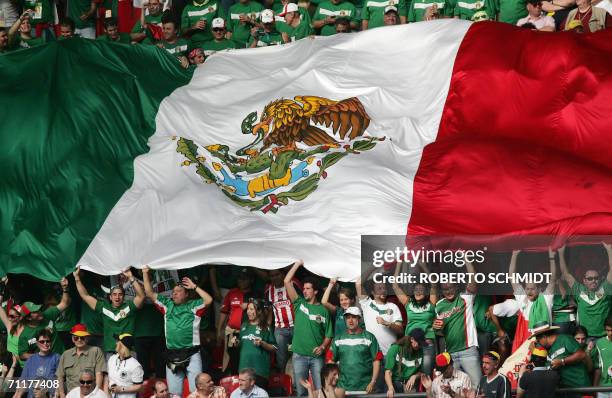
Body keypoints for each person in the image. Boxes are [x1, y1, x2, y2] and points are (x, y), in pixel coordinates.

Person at [143, 265, 213, 396]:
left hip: (192, 354)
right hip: (172, 355)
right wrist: (145, 273)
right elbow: (149, 293)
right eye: (173, 291)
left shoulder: (194, 306)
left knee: (197, 392)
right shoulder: (167, 305)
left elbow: (209, 300)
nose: (174, 293)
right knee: (174, 395)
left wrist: (194, 287)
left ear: (186, 294)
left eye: (178, 291)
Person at [490, 249, 556, 352]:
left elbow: (553, 279)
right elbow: (511, 275)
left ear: (539, 289)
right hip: (525, 344)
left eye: (533, 289)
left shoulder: (546, 298)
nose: (529, 292)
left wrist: (552, 257)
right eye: (527, 289)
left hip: (544, 344)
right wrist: (514, 254)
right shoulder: (522, 297)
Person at [285, 260, 333, 397]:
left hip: (317, 357)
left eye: (308, 289)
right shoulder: (299, 304)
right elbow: (287, 281)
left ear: (315, 291)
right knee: (301, 393)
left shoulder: (324, 311)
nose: (304, 291)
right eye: (304, 289)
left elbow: (329, 335)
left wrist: (323, 347)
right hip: (298, 356)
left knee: (320, 393)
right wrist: (297, 264)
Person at [74, 267, 145, 357]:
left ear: (123, 297)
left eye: (120, 294)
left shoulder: (129, 306)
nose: (117, 297)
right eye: (114, 294)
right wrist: (77, 278)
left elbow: (141, 296)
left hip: (129, 351)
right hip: (111, 352)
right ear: (110, 297)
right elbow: (85, 296)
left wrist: (131, 277)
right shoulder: (104, 307)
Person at [432, 261, 481, 387]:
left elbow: (473, 280)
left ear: (456, 287)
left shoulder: (465, 298)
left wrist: (467, 260)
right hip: (450, 355)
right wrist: (435, 328)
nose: (448, 291)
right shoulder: (439, 305)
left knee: (476, 386)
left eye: (450, 287)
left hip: (468, 350)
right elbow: (439, 331)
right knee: (452, 388)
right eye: (445, 289)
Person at [392, 261, 436, 376]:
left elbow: (434, 284)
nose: (418, 292)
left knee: (426, 374)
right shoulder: (408, 303)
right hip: (410, 343)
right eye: (416, 289)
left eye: (421, 289)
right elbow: (395, 286)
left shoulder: (431, 303)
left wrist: (423, 266)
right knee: (410, 373)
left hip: (426, 342)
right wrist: (398, 264)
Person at [560, 243, 612, 339]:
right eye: (590, 278)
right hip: (584, 337)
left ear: (600, 279)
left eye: (596, 278)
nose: (593, 281)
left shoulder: (605, 288)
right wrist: (561, 253)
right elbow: (566, 274)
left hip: (604, 337)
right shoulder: (578, 289)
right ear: (584, 280)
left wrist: (609, 249)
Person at [330, 306, 382, 394]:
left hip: (365, 388)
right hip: (343, 388)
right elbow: (330, 362)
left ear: (359, 319)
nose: (350, 320)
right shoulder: (338, 338)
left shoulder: (370, 337)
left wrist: (373, 382)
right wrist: (331, 383)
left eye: (354, 317)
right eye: (348, 317)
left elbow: (377, 361)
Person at [18, 278, 70, 360]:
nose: (39, 311)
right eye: (35, 311)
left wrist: (65, 288)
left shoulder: (48, 314)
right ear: (28, 318)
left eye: (38, 309)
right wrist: (40, 355)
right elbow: (22, 355)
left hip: (61, 358)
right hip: (44, 366)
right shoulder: (25, 335)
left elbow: (65, 303)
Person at [217, 267, 257, 374]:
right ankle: (225, 377)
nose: (241, 281)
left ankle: (246, 377)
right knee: (228, 354)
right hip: (232, 330)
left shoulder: (255, 294)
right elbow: (224, 311)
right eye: (239, 278)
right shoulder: (232, 292)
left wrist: (249, 304)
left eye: (245, 278)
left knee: (245, 354)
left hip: (249, 331)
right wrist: (219, 329)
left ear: (251, 280)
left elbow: (263, 310)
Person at [532, 322, 590, 394]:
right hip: (565, 391)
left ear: (544, 337)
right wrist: (533, 351)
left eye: (538, 340)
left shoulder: (564, 339)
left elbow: (581, 354)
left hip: (580, 387)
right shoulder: (546, 350)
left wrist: (562, 361)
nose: (538, 342)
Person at [356, 270, 403, 358]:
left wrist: (387, 323)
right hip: (372, 354)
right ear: (373, 292)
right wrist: (374, 266)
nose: (383, 291)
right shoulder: (367, 304)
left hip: (391, 354)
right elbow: (358, 283)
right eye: (379, 289)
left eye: (384, 288)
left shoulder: (393, 307)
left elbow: (400, 330)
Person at [264, 268, 301, 373]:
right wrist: (267, 327)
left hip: (296, 326)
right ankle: (283, 381)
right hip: (280, 329)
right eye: (272, 275)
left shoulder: (293, 284)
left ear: (283, 274)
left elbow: (302, 304)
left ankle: (296, 381)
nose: (275, 277)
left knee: (298, 355)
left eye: (277, 274)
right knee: (281, 357)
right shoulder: (268, 291)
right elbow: (270, 310)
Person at [56, 324, 106, 398]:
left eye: (82, 337)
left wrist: (95, 394)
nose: (79, 340)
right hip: (71, 395)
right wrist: (62, 394)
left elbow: (99, 374)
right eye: (76, 338)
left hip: (90, 394)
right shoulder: (66, 354)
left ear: (87, 338)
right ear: (72, 339)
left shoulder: (96, 351)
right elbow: (59, 377)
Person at [237, 300, 277, 388]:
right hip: (244, 370)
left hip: (260, 371)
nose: (248, 312)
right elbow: (241, 344)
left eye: (251, 309)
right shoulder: (243, 326)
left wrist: (263, 343)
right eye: (247, 309)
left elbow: (274, 348)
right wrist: (236, 342)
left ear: (259, 311)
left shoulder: (266, 327)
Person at [15, 329, 60, 398]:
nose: (45, 343)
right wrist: (18, 395)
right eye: (42, 341)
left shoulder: (56, 358)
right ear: (37, 343)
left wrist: (57, 393)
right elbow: (24, 382)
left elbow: (60, 380)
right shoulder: (30, 360)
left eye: (48, 341)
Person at [384, 328, 425, 397]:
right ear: (412, 339)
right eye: (419, 343)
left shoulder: (420, 351)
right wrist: (390, 388)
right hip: (395, 384)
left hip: (410, 386)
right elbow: (388, 372)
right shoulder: (395, 348)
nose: (421, 346)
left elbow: (421, 372)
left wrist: (414, 376)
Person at [595, 316, 612, 398]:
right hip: (603, 386)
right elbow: (598, 367)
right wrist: (594, 388)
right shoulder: (599, 343)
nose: (610, 333)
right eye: (608, 330)